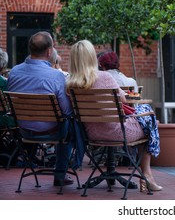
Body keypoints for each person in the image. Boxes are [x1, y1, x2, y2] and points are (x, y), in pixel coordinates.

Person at [66, 40, 162, 192]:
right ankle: (147, 175)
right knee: (149, 118)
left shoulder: (69, 85)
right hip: (118, 132)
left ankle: (146, 175)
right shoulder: (104, 77)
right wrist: (138, 95)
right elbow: (126, 98)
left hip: (92, 134)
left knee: (148, 120)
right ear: (92, 58)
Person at [7, 31, 74, 186]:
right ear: (50, 51)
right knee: (72, 124)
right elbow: (67, 111)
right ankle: (60, 174)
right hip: (52, 132)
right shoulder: (56, 76)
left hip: (23, 130)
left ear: (30, 49)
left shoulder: (14, 72)